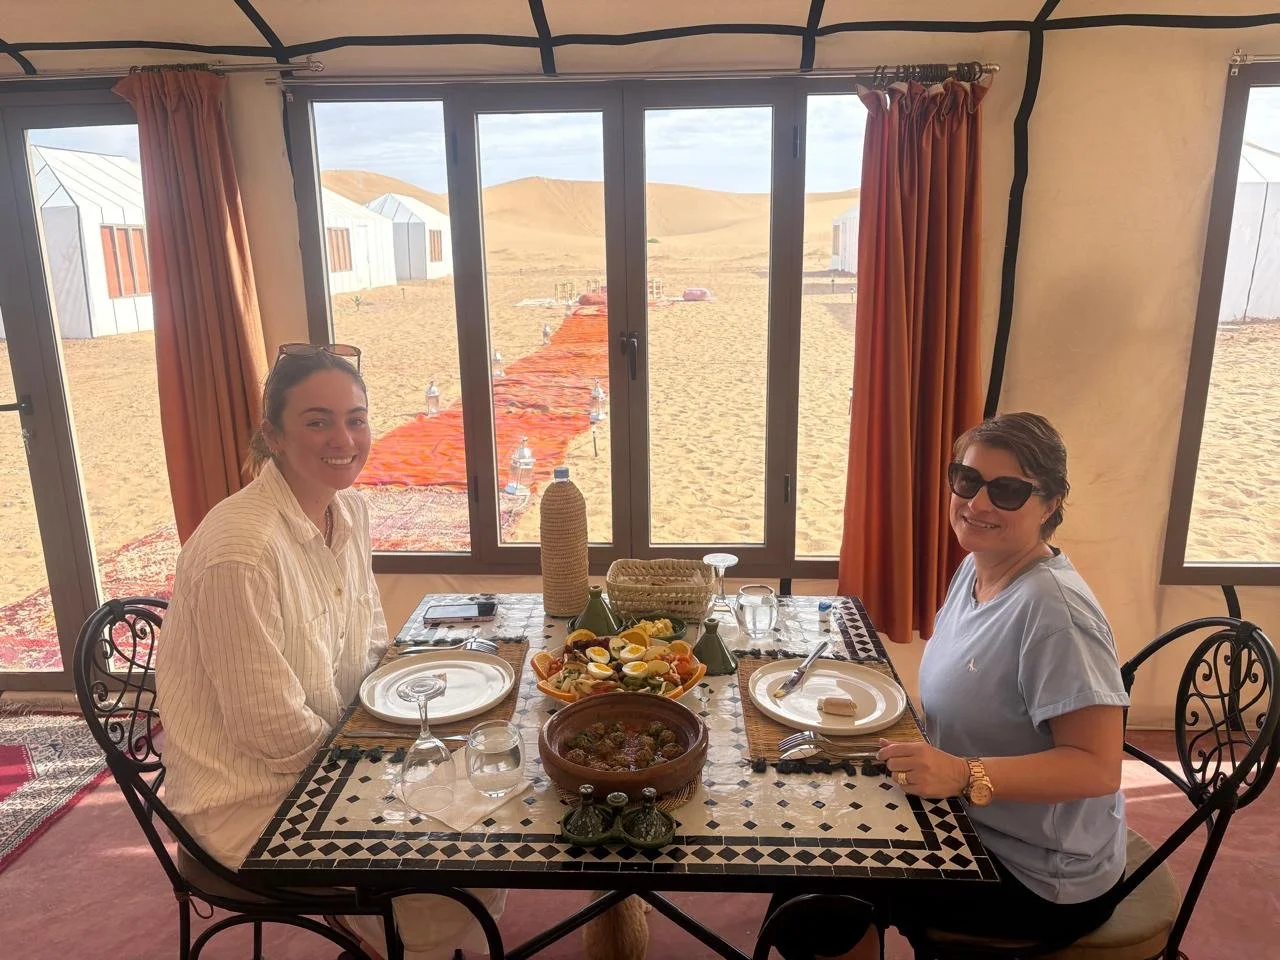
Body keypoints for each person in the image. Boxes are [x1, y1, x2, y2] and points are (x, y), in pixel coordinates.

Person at [156, 344, 504, 960]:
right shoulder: (241, 555)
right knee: (456, 850)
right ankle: (403, 938)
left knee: (487, 790)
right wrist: (389, 772)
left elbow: (370, 640)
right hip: (252, 801)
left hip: (328, 753)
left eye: (356, 418)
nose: (343, 438)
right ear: (274, 436)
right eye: (317, 421)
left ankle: (417, 937)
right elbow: (273, 733)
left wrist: (411, 724)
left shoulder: (348, 510)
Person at [768, 412, 1129, 959]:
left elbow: (1097, 767)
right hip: (968, 816)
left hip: (1034, 874)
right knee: (809, 839)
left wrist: (963, 773)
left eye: (1007, 491)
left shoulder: (1055, 614)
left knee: (817, 893)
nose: (978, 504)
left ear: (1050, 504)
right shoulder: (978, 565)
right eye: (966, 480)